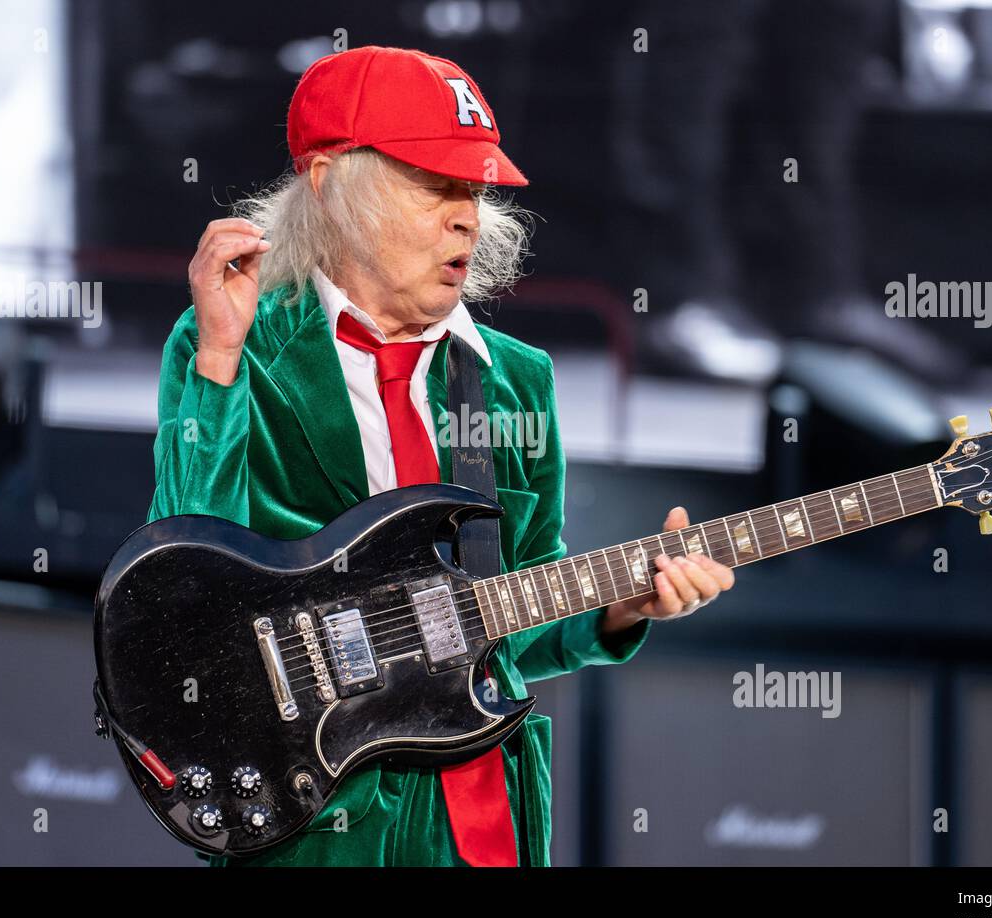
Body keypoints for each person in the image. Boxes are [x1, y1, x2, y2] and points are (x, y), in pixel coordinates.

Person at [148, 45, 734, 867]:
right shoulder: (233, 346)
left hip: (484, 821)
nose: (469, 215)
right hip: (319, 826)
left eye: (474, 188)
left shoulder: (514, 381)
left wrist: (622, 607)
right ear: (330, 183)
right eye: (436, 186)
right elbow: (182, 576)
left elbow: (512, 620)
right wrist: (216, 362)